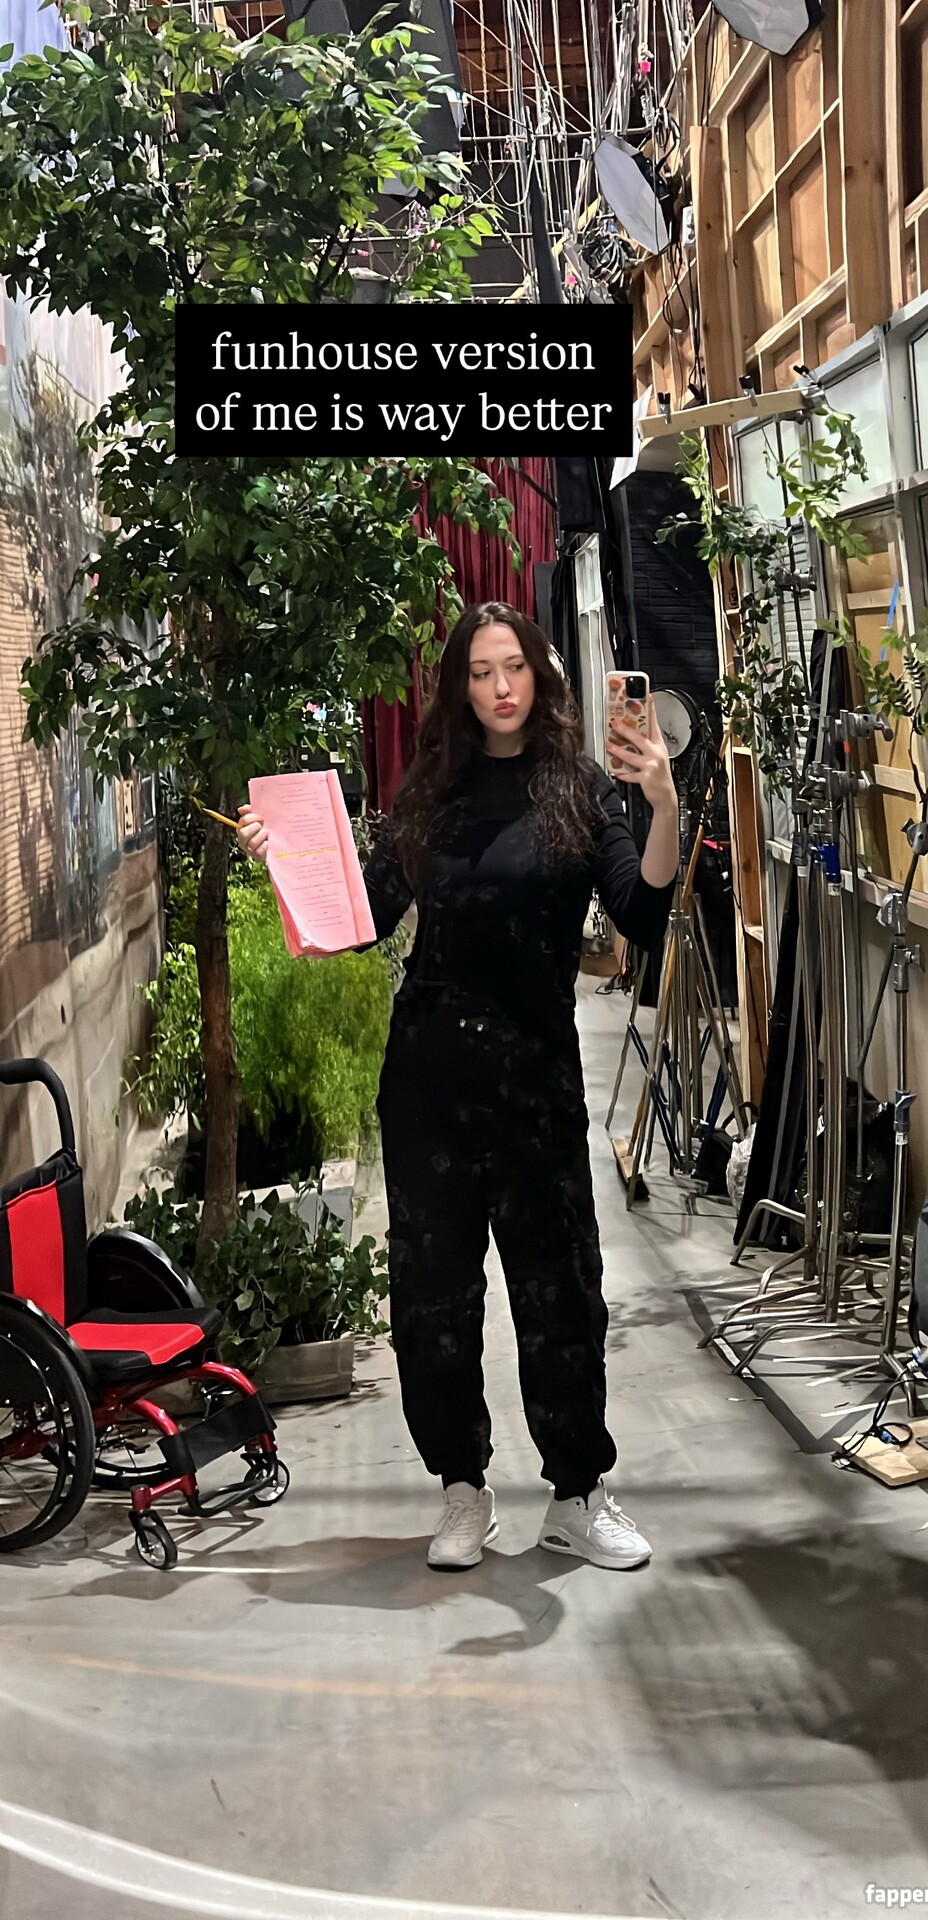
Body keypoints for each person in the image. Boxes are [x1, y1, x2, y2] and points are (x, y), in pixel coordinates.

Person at [238, 602, 679, 1572]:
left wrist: (663, 804)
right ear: (460, 687)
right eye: (480, 672)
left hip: (536, 1079)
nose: (500, 688)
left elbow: (642, 913)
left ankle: (577, 1495)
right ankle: (462, 1491)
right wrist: (286, 868)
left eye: (512, 666)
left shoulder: (579, 789)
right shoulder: (432, 792)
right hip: (430, 1078)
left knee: (562, 1294)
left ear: (539, 674)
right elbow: (361, 918)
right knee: (433, 1299)